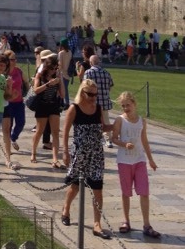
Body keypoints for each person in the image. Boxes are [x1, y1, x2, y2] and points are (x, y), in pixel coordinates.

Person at [61, 79, 115, 238]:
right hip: (80, 153)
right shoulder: (74, 108)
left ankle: (97, 224)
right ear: (82, 92)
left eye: (95, 94)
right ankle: (66, 208)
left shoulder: (98, 108)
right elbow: (65, 132)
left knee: (98, 188)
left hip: (96, 153)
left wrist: (118, 124)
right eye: (90, 94)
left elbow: (103, 127)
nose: (93, 97)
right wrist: (65, 152)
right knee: (75, 186)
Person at [112, 91, 160, 239]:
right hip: (124, 161)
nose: (126, 108)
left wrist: (150, 159)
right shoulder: (120, 120)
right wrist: (124, 144)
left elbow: (144, 140)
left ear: (134, 104)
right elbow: (113, 138)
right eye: (123, 106)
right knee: (126, 192)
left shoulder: (141, 121)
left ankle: (147, 224)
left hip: (139, 160)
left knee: (144, 191)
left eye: (128, 105)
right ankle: (126, 220)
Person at [30, 52, 64, 165]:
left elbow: (63, 95)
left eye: (56, 68)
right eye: (52, 68)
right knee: (40, 130)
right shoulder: (40, 76)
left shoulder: (56, 76)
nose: (54, 70)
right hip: (42, 105)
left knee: (55, 132)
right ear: (47, 67)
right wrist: (49, 84)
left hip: (53, 105)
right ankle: (33, 153)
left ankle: (55, 158)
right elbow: (36, 90)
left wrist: (60, 80)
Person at [2, 49, 26, 168]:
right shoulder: (4, 74)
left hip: (19, 101)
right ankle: (8, 151)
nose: (15, 61)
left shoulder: (19, 71)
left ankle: (13, 137)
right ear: (7, 61)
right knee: (8, 126)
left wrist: (25, 91)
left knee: (21, 123)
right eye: (12, 59)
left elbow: (26, 83)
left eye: (15, 59)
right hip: (8, 103)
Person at [84, 54, 114, 147]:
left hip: (93, 101)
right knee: (106, 120)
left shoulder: (88, 72)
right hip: (104, 100)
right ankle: (109, 140)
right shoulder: (106, 72)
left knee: (92, 120)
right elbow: (110, 85)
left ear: (91, 63)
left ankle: (95, 138)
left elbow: (85, 87)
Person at [58, 37, 73, 107]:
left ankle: (65, 103)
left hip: (62, 73)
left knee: (62, 89)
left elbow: (60, 64)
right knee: (65, 89)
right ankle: (66, 102)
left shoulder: (61, 53)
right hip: (68, 73)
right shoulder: (70, 52)